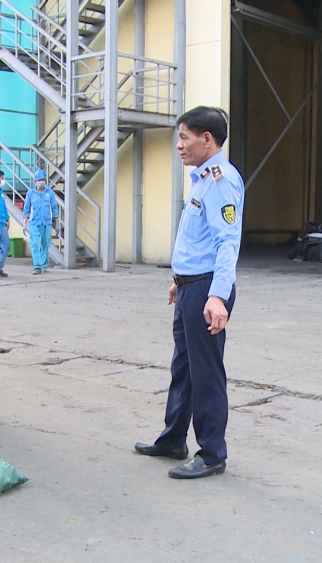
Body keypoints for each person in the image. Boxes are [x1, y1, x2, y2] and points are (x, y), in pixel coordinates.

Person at [134, 106, 245, 479]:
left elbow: (227, 243)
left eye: (184, 137)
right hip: (190, 286)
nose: (179, 145)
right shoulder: (201, 179)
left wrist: (216, 296)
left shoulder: (221, 180)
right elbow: (198, 240)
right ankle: (173, 438)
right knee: (183, 367)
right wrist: (178, 279)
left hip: (206, 291)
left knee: (206, 372)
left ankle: (212, 453)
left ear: (207, 139)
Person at [22, 169, 59, 275]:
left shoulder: (49, 193)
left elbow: (54, 208)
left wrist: (56, 223)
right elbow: (26, 209)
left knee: (45, 243)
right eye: (39, 180)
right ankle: (37, 266)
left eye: (43, 179)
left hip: (46, 223)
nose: (41, 181)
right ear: (35, 181)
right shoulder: (30, 193)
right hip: (34, 222)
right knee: (34, 243)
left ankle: (44, 264)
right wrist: (24, 224)